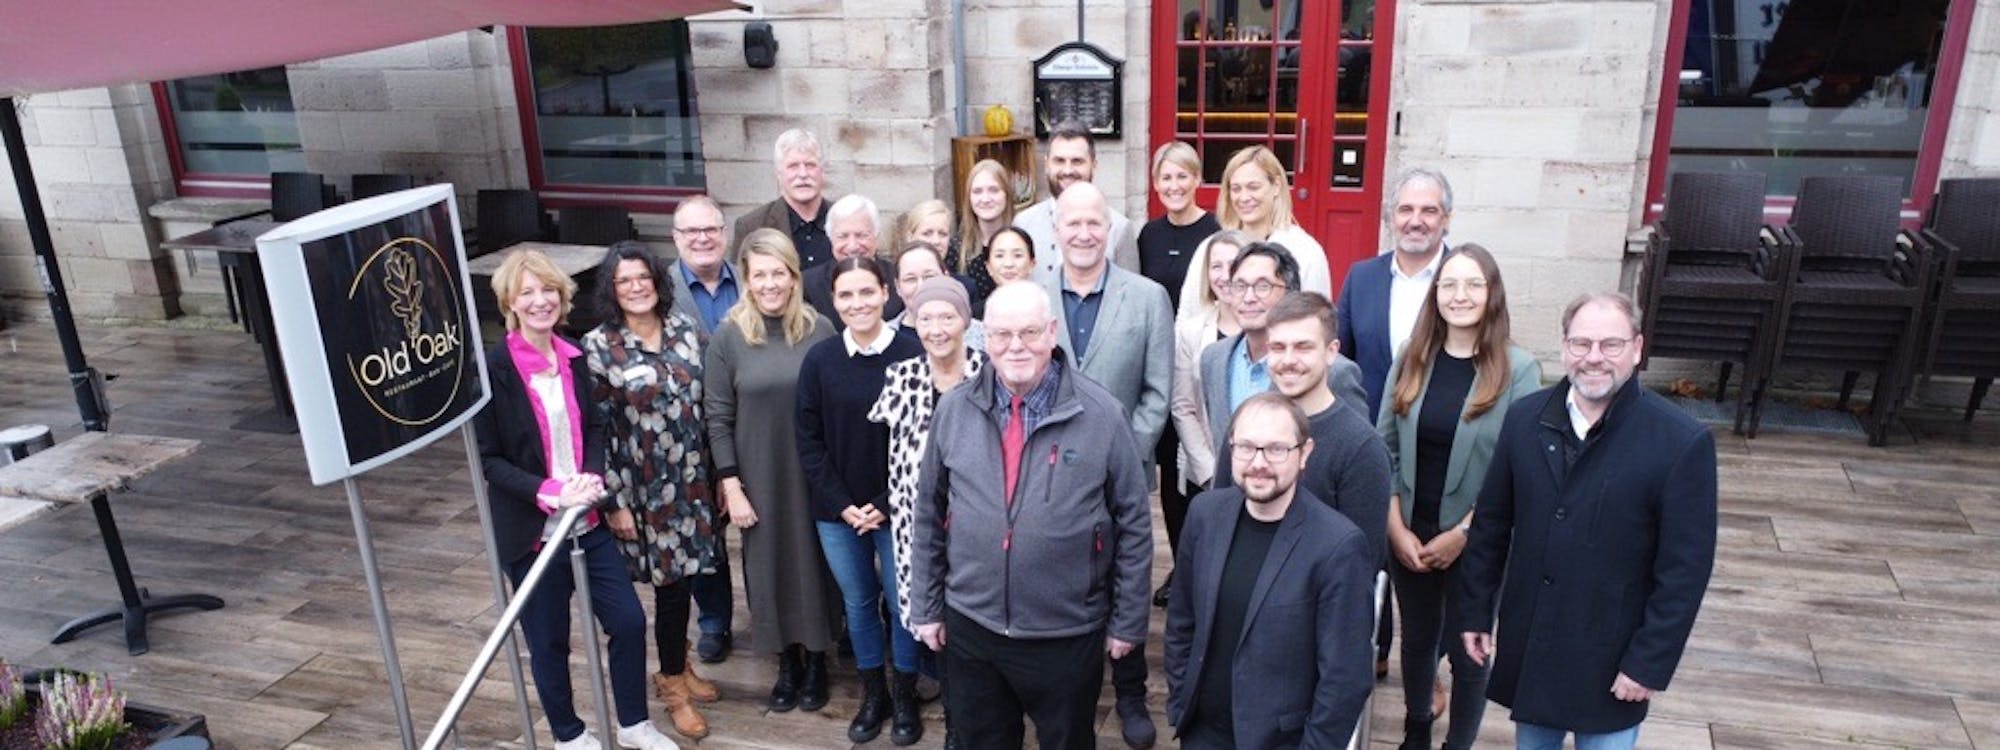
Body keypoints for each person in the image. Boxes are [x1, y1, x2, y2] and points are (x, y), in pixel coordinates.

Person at [1453, 293, 1718, 750]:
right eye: (1581, 344)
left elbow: (1684, 571)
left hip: (1613, 659)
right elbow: (1491, 526)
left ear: (1637, 349)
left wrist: (1649, 662)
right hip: (1535, 645)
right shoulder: (1523, 420)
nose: (1594, 358)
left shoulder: (1680, 442)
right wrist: (1476, 610)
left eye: (1610, 345)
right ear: (1563, 348)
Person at [909, 281, 1153, 750]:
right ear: (984, 337)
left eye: (1029, 332)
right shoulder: (956, 408)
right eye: (1001, 334)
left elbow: (1136, 525)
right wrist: (926, 605)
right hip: (972, 627)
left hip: (1064, 632)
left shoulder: (1102, 413)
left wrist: (1127, 622)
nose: (1015, 346)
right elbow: (928, 514)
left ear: (1052, 332)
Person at [473, 248, 678, 750]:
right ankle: (568, 734)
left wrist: (589, 480)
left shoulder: (574, 357)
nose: (540, 301)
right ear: (510, 303)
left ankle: (633, 724)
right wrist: (551, 491)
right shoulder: (494, 369)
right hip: (531, 533)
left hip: (587, 523)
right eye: (528, 293)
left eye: (548, 290)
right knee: (548, 640)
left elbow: (593, 428)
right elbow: (489, 459)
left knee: (628, 621)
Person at [1376, 244, 1541, 750]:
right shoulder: (1412, 354)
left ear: (1492, 294)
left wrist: (1465, 533)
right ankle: (1417, 728)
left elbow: (1517, 470)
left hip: (1479, 540)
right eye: (1448, 284)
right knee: (1419, 640)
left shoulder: (1520, 369)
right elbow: (1384, 443)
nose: (1459, 295)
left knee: (1471, 651)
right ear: (1435, 293)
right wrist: (1395, 525)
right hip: (1411, 531)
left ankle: (1458, 744)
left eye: (1473, 284)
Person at [1038, 180, 1172, 749]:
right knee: (1066, 583)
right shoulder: (1033, 296)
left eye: (1095, 222)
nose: (1085, 233)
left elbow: (1157, 395)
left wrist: (1114, 461)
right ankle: (1069, 691)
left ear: (1112, 230)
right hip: (1048, 480)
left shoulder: (1146, 297)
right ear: (1055, 230)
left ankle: (1132, 689)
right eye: (1073, 223)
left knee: (1126, 578)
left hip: (1123, 478)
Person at [1163, 393, 1375, 749]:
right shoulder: (1204, 514)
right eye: (1246, 447)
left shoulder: (1338, 546)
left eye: (1276, 449)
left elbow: (1345, 678)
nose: (1258, 462)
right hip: (1201, 731)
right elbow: (1182, 618)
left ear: (1304, 453)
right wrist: (1180, 696)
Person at [582, 242, 726, 739]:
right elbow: (596, 429)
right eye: (624, 280)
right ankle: (671, 687)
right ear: (611, 289)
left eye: (643, 277)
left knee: (685, 581)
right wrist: (613, 501)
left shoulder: (685, 329)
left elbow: (707, 403)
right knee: (668, 587)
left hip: (691, 479)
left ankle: (678, 663)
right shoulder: (599, 345)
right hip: (641, 488)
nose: (636, 287)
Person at [702, 228, 841, 714]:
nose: (769, 284)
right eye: (759, 274)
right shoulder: (729, 336)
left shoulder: (820, 329)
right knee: (769, 568)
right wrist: (732, 484)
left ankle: (818, 658)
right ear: (745, 278)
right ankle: (787, 662)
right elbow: (717, 415)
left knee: (815, 565)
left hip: (812, 472)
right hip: (758, 474)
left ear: (793, 275)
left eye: (778, 272)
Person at [796, 256, 928, 745]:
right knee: (858, 602)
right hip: (838, 511)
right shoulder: (821, 359)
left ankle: (907, 692)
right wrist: (841, 503)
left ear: (886, 291)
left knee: (902, 604)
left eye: (866, 292)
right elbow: (807, 439)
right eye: (846, 295)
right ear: (833, 300)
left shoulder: (913, 354)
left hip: (898, 507)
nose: (858, 303)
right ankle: (874, 694)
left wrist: (885, 502)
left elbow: (922, 440)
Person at [868, 277, 987, 750]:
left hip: (975, 523)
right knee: (915, 612)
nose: (937, 328)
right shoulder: (901, 376)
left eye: (948, 317)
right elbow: (882, 450)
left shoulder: (988, 373)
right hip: (914, 523)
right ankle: (909, 695)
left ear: (966, 321)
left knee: (966, 626)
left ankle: (962, 722)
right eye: (927, 317)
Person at [1211, 291, 1389, 569]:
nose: (1288, 360)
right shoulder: (1246, 425)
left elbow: (1362, 560)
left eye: (1303, 347)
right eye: (1278, 348)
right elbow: (1219, 519)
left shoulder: (1361, 446)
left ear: (1331, 352)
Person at [1137, 140, 1220, 609]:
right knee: (1171, 475)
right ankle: (1182, 564)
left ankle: (1207, 563)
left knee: (1201, 469)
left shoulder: (1214, 235)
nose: (1174, 185)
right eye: (1165, 178)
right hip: (1159, 368)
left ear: (1196, 180)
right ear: (1156, 183)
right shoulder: (1148, 235)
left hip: (1198, 369)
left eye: (1182, 176)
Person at [1195, 243, 1366, 464]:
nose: (1248, 297)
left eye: (1263, 286)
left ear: (1290, 293)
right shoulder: (1213, 358)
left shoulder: (1334, 370)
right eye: (1239, 286)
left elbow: (1360, 454)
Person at [661, 195, 739, 664]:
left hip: (747, 422)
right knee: (704, 531)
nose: (703, 239)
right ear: (676, 238)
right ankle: (715, 622)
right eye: (691, 232)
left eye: (710, 229)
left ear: (724, 233)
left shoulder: (750, 278)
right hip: (690, 430)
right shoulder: (662, 288)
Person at [1161, 229, 1250, 608]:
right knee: (1205, 567)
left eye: (1234, 264)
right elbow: (1183, 406)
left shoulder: (1270, 330)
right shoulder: (1190, 331)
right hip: (1205, 470)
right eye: (1217, 266)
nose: (1225, 274)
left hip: (1259, 469)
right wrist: (1211, 470)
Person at [1336, 167, 1455, 422]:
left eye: (1429, 211)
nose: (1415, 221)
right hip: (1369, 428)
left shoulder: (1466, 280)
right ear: (1391, 218)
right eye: (1405, 210)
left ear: (1446, 220)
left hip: (1438, 432)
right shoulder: (1361, 278)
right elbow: (1338, 358)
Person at [1013, 119, 1140, 274]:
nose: (1067, 170)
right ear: (1046, 165)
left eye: (1077, 161)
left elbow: (1130, 293)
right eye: (1059, 161)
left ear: (1094, 165)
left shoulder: (1119, 228)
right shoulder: (1024, 224)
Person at [1214, 146, 1330, 298]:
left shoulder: (1304, 250)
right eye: (1236, 189)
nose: (1244, 197)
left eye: (1253, 187)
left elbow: (1317, 316)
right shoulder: (1217, 246)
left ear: (1276, 186)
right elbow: (1193, 308)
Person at [734, 128, 835, 268]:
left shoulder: (846, 219)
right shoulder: (752, 226)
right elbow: (742, 282)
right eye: (793, 166)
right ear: (778, 174)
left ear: (822, 171)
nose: (803, 174)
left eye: (810, 165)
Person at [804, 194, 904, 328]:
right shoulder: (808, 284)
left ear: (876, 234)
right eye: (842, 236)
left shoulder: (898, 277)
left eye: (861, 235)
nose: (852, 246)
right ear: (830, 238)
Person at [890, 242, 985, 351]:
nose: (921, 286)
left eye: (929, 276)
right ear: (898, 287)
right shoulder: (884, 338)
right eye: (910, 279)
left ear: (946, 277)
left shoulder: (981, 334)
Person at [960, 158, 1020, 300]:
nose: (985, 199)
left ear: (1007, 194)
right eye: (977, 191)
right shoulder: (956, 249)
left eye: (994, 190)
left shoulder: (1023, 243)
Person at [901, 198, 963, 271]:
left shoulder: (962, 282)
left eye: (942, 234)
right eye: (927, 234)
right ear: (910, 237)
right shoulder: (891, 279)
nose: (936, 241)